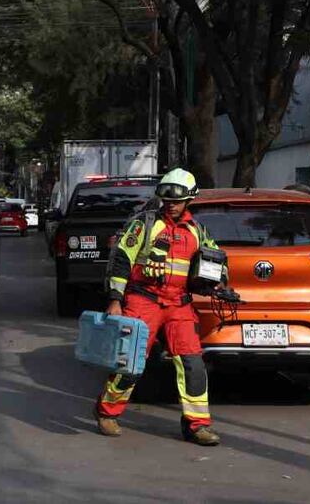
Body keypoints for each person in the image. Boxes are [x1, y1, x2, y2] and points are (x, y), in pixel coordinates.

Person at [94, 168, 224, 446]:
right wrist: (115, 299)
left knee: (193, 364)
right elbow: (122, 260)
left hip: (179, 304)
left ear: (189, 200)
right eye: (167, 200)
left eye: (177, 201)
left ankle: (197, 425)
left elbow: (214, 262)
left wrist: (218, 282)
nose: (171, 205)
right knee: (130, 361)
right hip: (144, 300)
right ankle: (107, 412)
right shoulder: (144, 224)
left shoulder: (197, 231)